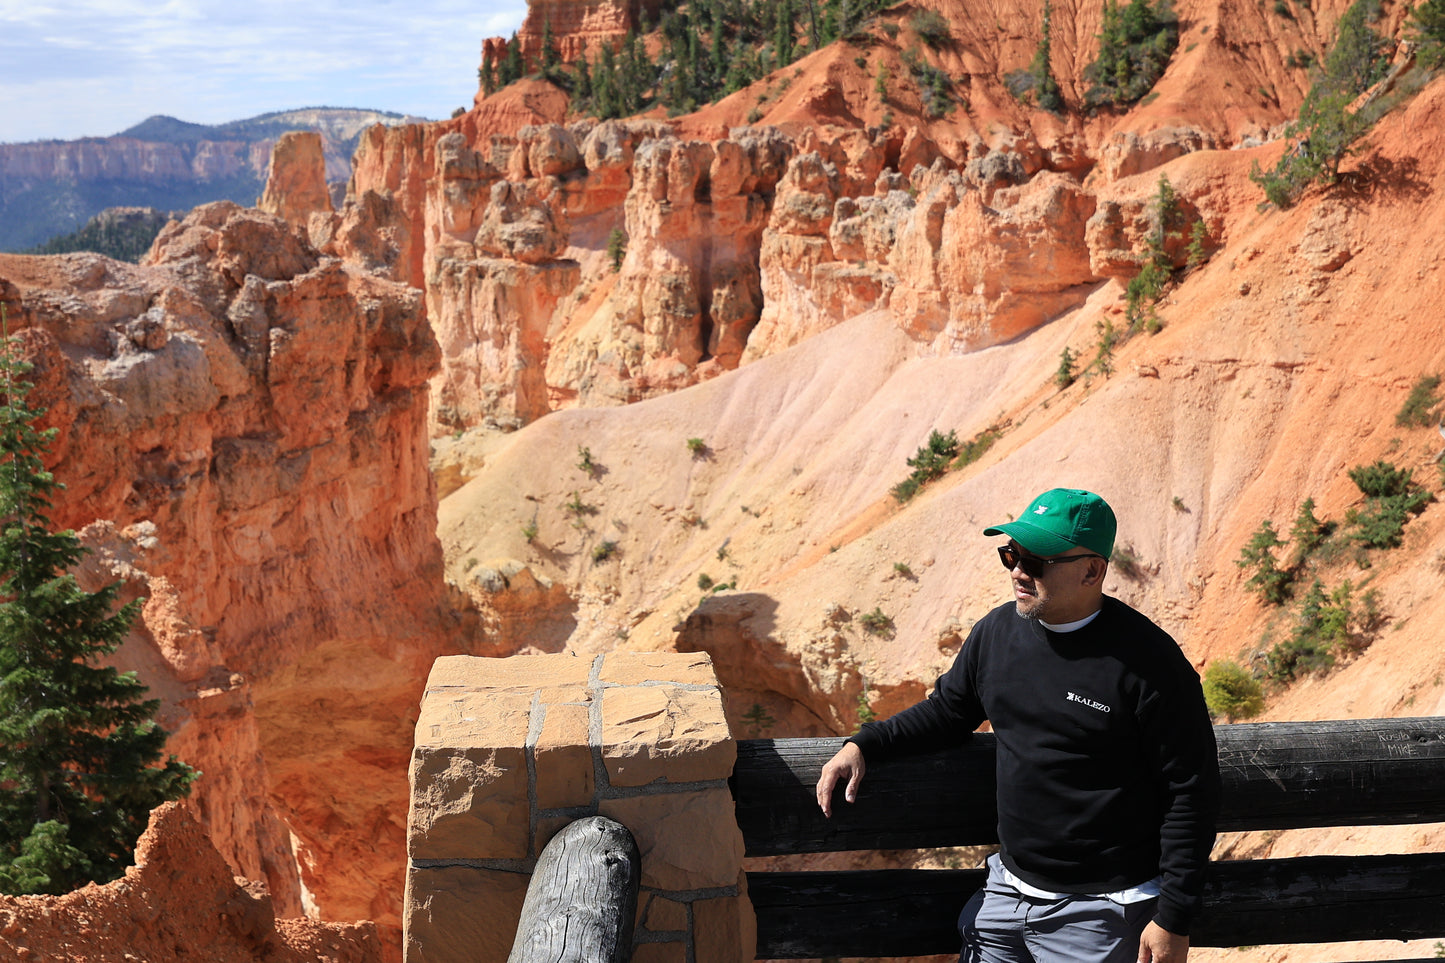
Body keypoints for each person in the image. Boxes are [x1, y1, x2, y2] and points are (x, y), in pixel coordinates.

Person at [815, 488, 1220, 963]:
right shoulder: (997, 632)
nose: (1018, 572)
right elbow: (949, 712)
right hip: (1005, 897)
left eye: (1038, 561)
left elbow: (1192, 791)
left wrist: (1174, 916)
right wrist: (864, 744)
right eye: (1011, 554)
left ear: (1092, 571)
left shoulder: (1151, 664)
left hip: (1101, 913)